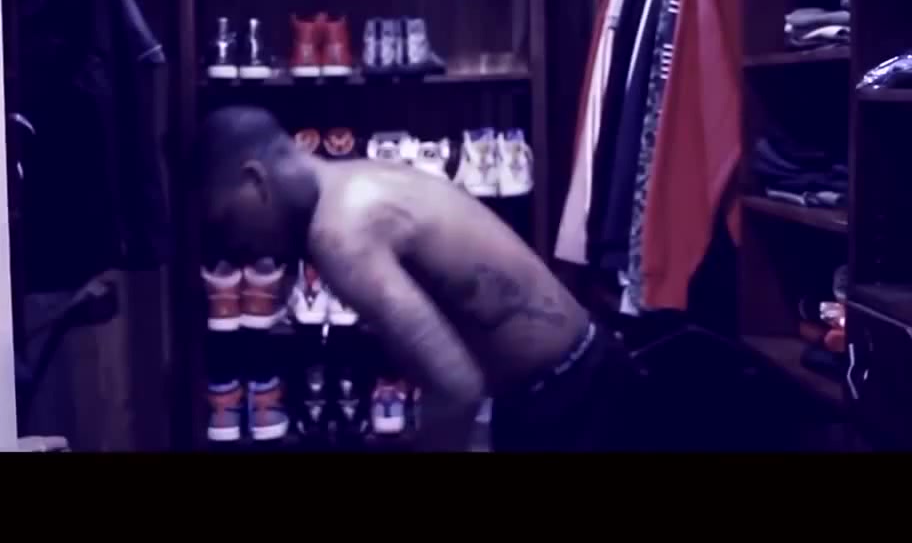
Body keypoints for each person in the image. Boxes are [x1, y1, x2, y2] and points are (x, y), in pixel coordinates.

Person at [196, 106, 654, 452]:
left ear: (255, 182)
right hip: (572, 379)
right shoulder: (354, 178)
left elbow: (456, 388)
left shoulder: (340, 234)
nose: (238, 249)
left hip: (573, 402)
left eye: (226, 223)